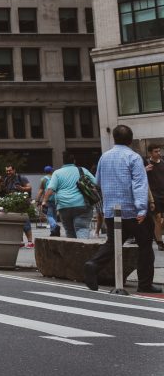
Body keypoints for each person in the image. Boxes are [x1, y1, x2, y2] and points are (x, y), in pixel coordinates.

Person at [83, 125, 161, 293]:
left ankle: (93, 264)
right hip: (131, 209)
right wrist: (141, 209)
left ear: (114, 139)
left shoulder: (105, 157)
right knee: (146, 245)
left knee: (113, 242)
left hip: (111, 209)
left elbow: (97, 182)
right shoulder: (133, 157)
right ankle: (145, 283)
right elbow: (139, 184)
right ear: (130, 140)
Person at [43, 153, 94, 239]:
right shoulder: (82, 170)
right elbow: (96, 182)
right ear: (74, 161)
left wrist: (44, 201)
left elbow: (50, 189)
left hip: (64, 206)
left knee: (69, 230)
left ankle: (72, 251)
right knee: (82, 228)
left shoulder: (57, 173)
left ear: (63, 162)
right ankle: (83, 249)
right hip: (82, 204)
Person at [2, 165, 34, 247]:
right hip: (12, 204)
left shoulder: (21, 178)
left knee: (25, 222)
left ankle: (30, 242)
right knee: (16, 223)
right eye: (7, 171)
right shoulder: (6, 180)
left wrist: (22, 189)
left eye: (10, 170)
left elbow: (29, 188)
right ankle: (20, 241)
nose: (8, 172)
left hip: (22, 203)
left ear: (14, 170)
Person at [145, 144, 164, 251]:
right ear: (150, 153)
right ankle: (160, 242)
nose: (158, 153)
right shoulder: (147, 164)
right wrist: (144, 170)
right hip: (154, 195)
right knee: (157, 218)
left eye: (159, 151)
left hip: (163, 193)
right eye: (156, 151)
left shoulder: (163, 163)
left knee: (161, 220)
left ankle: (156, 236)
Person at [37, 165, 60, 237]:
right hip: (56, 199)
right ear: (52, 171)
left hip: (47, 199)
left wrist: (37, 200)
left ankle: (54, 226)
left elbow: (41, 191)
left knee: (49, 216)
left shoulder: (43, 179)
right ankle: (53, 232)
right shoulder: (55, 178)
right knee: (54, 216)